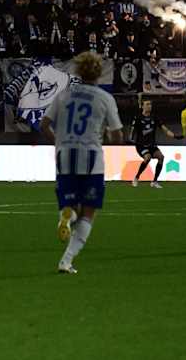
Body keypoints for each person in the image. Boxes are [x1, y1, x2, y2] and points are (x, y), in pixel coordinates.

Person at [39, 52, 123, 274]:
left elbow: (44, 124)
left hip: (65, 156)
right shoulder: (105, 98)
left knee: (71, 206)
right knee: (89, 212)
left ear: (78, 71)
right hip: (91, 159)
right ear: (98, 73)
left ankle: (68, 215)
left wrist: (59, 142)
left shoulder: (63, 95)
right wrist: (105, 137)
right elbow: (118, 136)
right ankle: (66, 261)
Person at [129, 98, 182, 188]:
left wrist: (174, 136)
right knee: (147, 157)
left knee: (161, 157)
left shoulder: (154, 117)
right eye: (147, 104)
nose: (149, 106)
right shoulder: (138, 117)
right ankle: (136, 178)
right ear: (142, 106)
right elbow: (132, 130)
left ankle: (154, 181)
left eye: (150, 104)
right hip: (141, 145)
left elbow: (164, 129)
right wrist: (130, 138)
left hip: (152, 145)